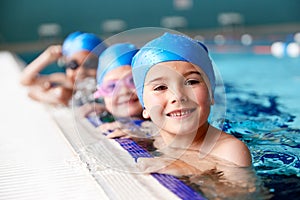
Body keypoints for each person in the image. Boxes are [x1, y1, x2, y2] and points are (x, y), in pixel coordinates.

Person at [131, 32, 252, 176]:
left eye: (192, 82)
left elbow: (242, 195)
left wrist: (189, 169)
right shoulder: (156, 137)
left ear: (211, 94)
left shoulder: (230, 151)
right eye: (160, 88)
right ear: (144, 106)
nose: (178, 96)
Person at [20, 31, 106, 106]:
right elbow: (25, 81)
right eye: (73, 64)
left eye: (90, 64)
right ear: (66, 64)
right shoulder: (63, 80)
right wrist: (47, 57)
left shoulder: (106, 88)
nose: (81, 71)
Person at [88, 43, 144, 138]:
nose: (124, 91)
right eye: (112, 86)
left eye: (132, 81)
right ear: (100, 93)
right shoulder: (100, 116)